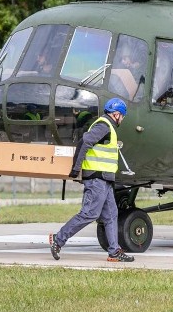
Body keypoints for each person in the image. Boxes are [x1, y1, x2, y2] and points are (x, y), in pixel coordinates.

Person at [49, 98, 135, 263]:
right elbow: (85, 142)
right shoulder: (104, 126)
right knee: (89, 214)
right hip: (97, 179)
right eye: (122, 116)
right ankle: (58, 239)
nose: (122, 119)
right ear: (117, 114)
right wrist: (76, 168)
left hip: (105, 180)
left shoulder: (107, 126)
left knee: (111, 215)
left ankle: (114, 252)